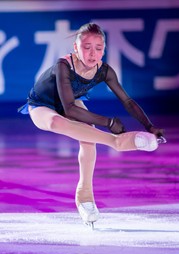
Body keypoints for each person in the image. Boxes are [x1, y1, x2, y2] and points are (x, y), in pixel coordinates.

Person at [18, 22, 164, 226]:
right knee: (55, 121)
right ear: (76, 48)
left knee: (88, 137)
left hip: (72, 102)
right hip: (43, 105)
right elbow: (68, 109)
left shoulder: (104, 71)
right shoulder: (64, 65)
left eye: (98, 48)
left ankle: (85, 194)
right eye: (86, 47)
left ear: (104, 50)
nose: (92, 53)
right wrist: (108, 122)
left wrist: (150, 127)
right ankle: (117, 142)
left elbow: (127, 101)